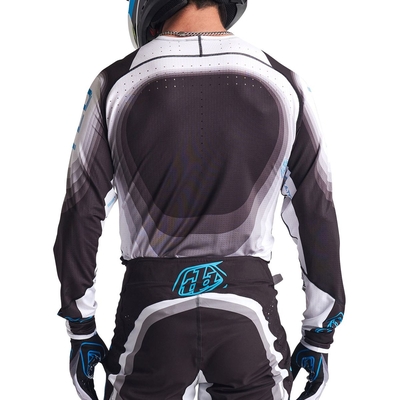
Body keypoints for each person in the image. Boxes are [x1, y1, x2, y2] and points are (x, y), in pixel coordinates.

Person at [54, 1, 345, 399]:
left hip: (150, 307)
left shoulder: (115, 82)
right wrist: (320, 333)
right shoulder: (285, 84)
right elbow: (316, 213)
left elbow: (80, 210)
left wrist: (81, 327)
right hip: (248, 309)